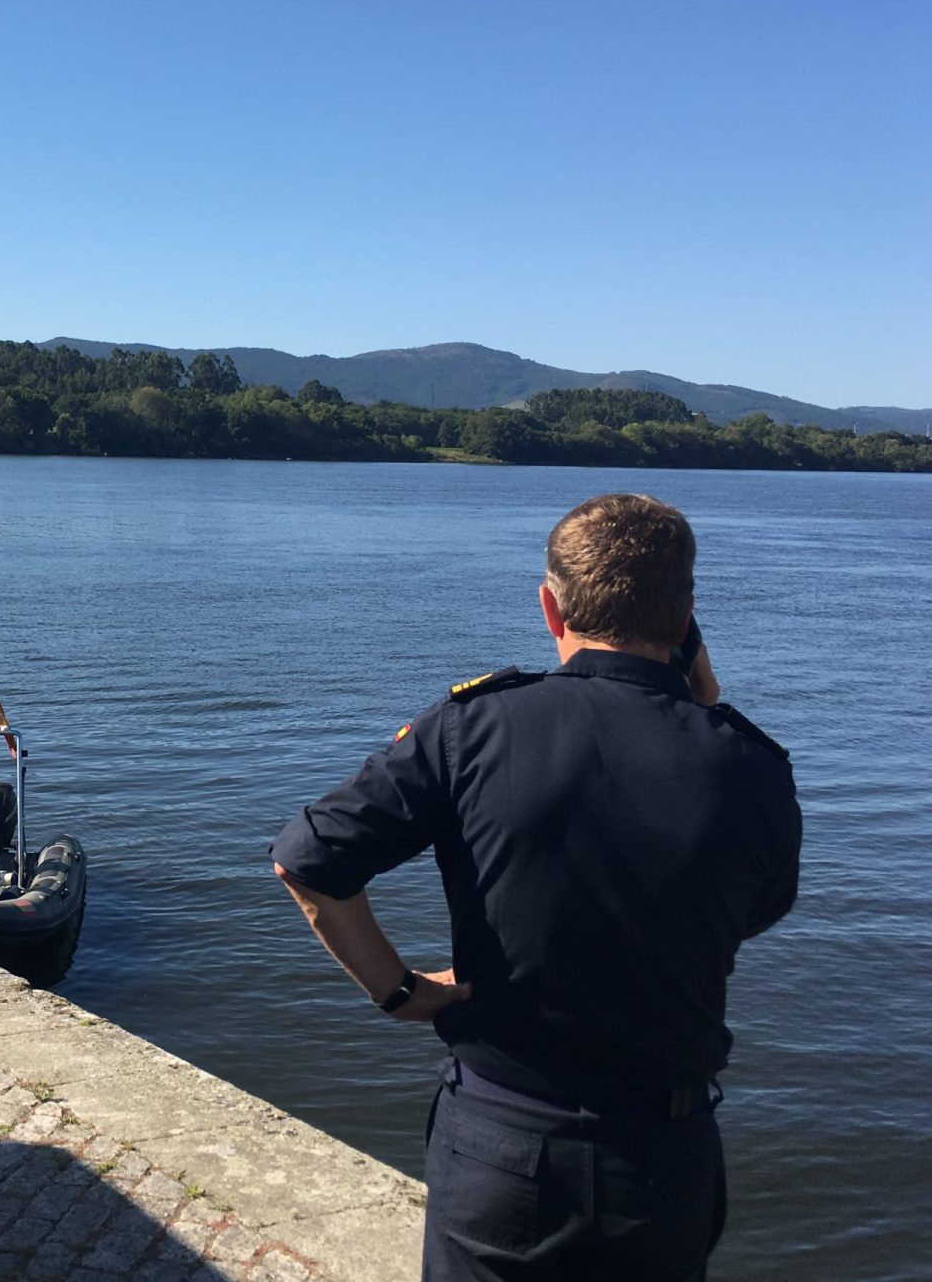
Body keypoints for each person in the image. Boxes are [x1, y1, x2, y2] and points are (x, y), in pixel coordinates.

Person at [270, 494, 800, 1282]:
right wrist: (702, 698)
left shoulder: (472, 729)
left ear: (550, 605)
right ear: (687, 617)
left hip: (501, 1146)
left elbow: (308, 861)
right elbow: (750, 911)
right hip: (665, 1157)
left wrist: (399, 990)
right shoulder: (753, 767)